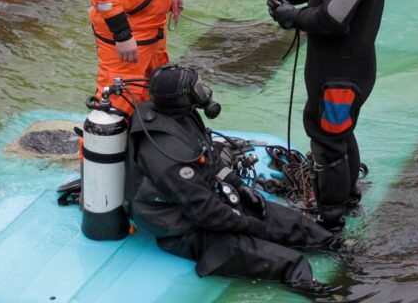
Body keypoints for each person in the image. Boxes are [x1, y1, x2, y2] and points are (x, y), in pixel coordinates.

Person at [124, 64, 338, 298]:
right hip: (184, 229)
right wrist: (248, 225)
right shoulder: (168, 154)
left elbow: (208, 156)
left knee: (301, 227)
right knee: (291, 263)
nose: (202, 91)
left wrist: (239, 186)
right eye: (195, 88)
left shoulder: (184, 115)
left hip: (210, 200)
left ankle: (339, 247)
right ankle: (325, 293)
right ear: (180, 98)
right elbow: (204, 212)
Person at [266, 0, 385, 232]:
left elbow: (332, 19)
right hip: (335, 67)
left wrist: (291, 16)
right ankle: (348, 198)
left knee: (329, 142)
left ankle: (330, 220)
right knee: (340, 134)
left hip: (342, 74)